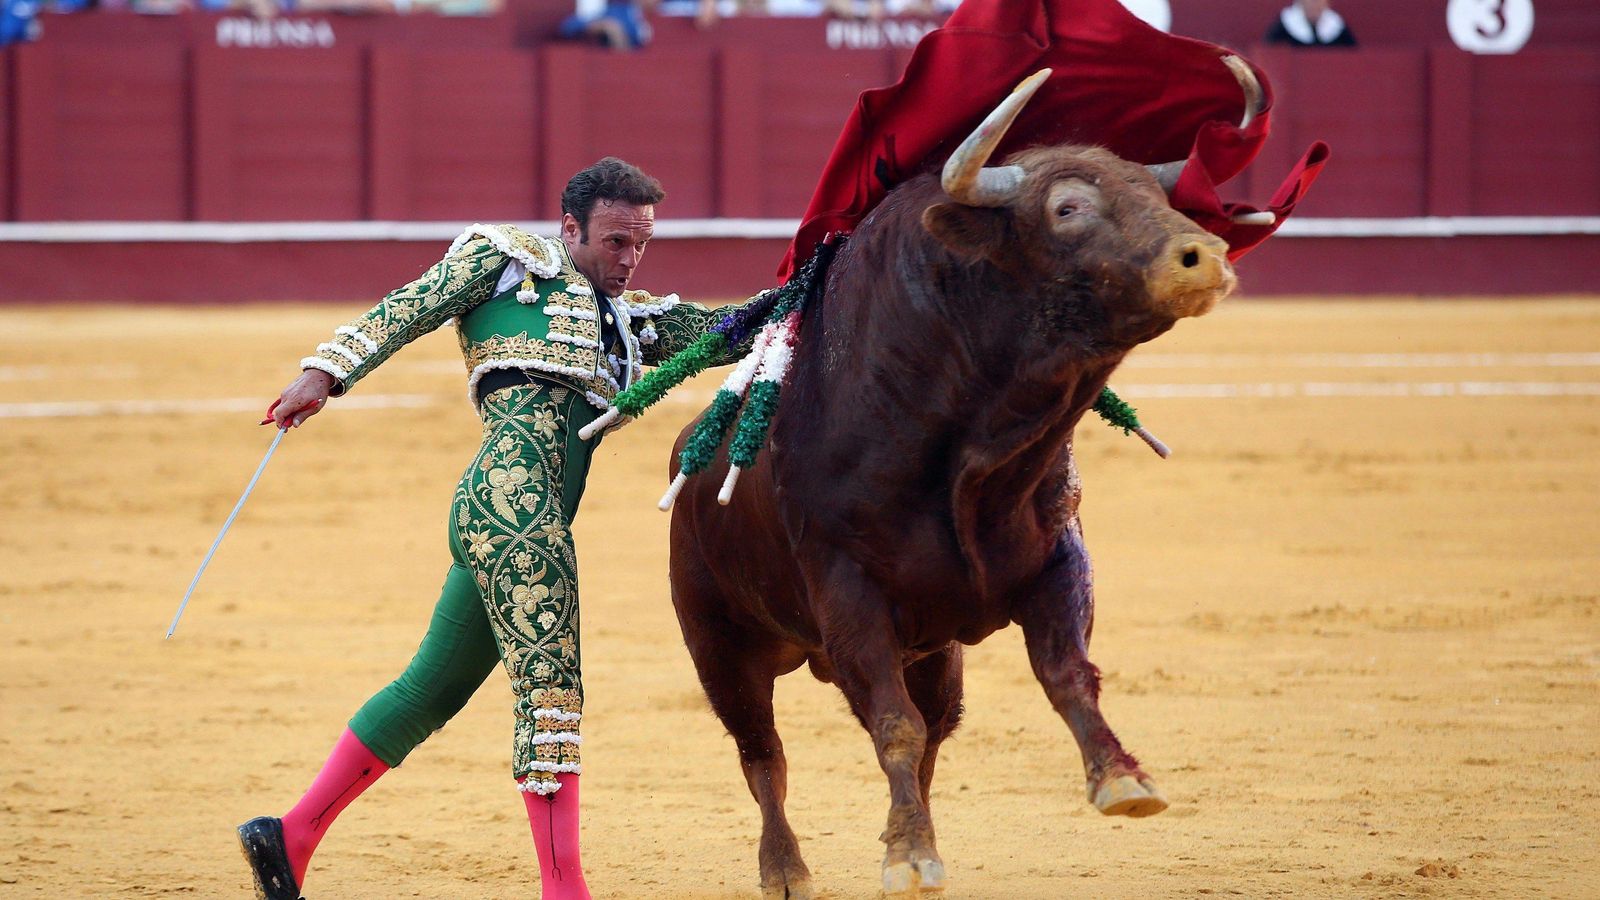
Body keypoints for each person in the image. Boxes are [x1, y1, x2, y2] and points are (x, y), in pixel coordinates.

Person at [237, 157, 756, 900]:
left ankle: (288, 836)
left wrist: (821, 283)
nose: (629, 258)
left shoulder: (632, 318)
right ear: (569, 227)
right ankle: (564, 889)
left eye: (641, 243)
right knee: (551, 686)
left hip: (523, 515)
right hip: (510, 504)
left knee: (430, 690)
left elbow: (728, 327)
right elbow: (413, 303)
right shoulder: (510, 261)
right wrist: (326, 372)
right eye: (615, 241)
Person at [1264, 0, 1355, 47]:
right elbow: (1269, 50)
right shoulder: (1285, 24)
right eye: (1311, 1)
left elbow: (1353, 54)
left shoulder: (1337, 26)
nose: (1315, 5)